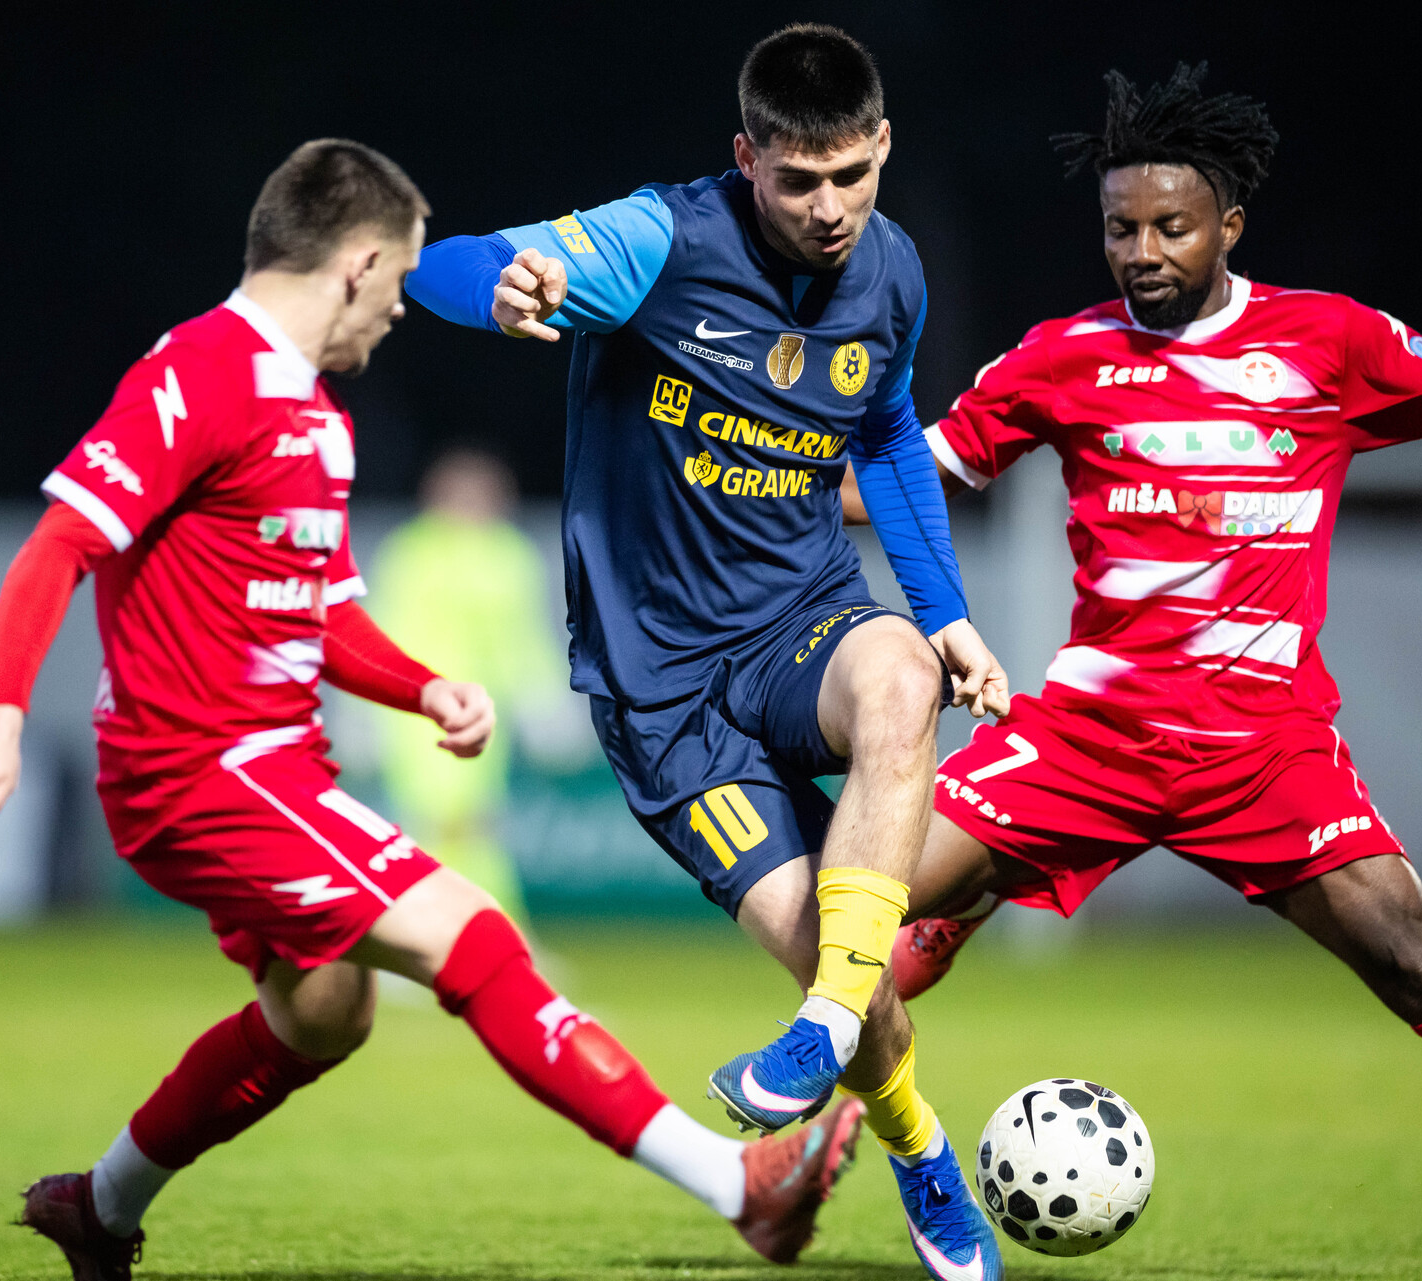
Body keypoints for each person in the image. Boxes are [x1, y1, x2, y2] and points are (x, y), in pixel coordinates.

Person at [0, 138, 865, 1281]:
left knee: (325, 1013)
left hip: (277, 770)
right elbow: (62, 541)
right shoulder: (202, 372)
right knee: (476, 937)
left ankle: (99, 1208)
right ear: (359, 265)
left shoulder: (316, 419)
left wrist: (421, 687)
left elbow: (319, 612)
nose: (402, 309)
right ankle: (740, 1186)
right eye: (404, 280)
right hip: (206, 772)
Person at [858, 65, 1422, 1281]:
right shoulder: (1061, 358)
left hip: (1263, 752)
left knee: (1416, 965)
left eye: (1171, 227)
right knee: (849, 910)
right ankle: (844, 1134)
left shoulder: (1332, 343)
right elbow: (910, 480)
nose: (1143, 253)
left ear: (1229, 226)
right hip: (1084, 742)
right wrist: (748, 472)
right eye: (1121, 228)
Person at [405, 24, 1008, 1281]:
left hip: (800, 624)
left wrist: (946, 612)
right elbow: (443, 264)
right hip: (664, 692)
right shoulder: (658, 243)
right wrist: (497, 289)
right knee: (850, 962)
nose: (830, 208)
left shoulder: (893, 272)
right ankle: (920, 1148)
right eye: (799, 181)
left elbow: (887, 433)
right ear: (746, 159)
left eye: (852, 174)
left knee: (903, 674)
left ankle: (822, 1022)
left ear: (883, 146)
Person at [362, 447, 569, 923]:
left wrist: (546, 705)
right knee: (440, 823)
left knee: (473, 826)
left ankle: (472, 928)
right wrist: (363, 711)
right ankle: (449, 927)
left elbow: (522, 639)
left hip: (483, 710)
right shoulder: (411, 550)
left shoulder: (508, 554)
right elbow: (380, 633)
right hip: (414, 711)